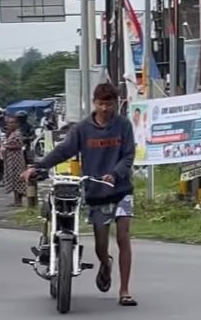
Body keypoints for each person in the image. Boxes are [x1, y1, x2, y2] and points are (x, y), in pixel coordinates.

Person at [21, 83, 138, 306]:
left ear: (115, 103)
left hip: (122, 190)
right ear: (94, 103)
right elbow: (64, 151)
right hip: (95, 192)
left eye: (109, 103)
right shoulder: (82, 129)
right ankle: (105, 264)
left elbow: (128, 156)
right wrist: (38, 167)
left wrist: (115, 174)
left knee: (123, 236)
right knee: (101, 245)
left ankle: (124, 290)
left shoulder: (123, 125)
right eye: (101, 103)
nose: (105, 108)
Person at [3, 115, 27, 206]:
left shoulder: (17, 133)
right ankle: (16, 201)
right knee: (13, 179)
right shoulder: (10, 133)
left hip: (16, 159)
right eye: (9, 123)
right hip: (11, 159)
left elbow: (18, 145)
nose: (10, 124)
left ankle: (19, 201)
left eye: (12, 122)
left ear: (17, 124)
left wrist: (6, 146)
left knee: (17, 179)